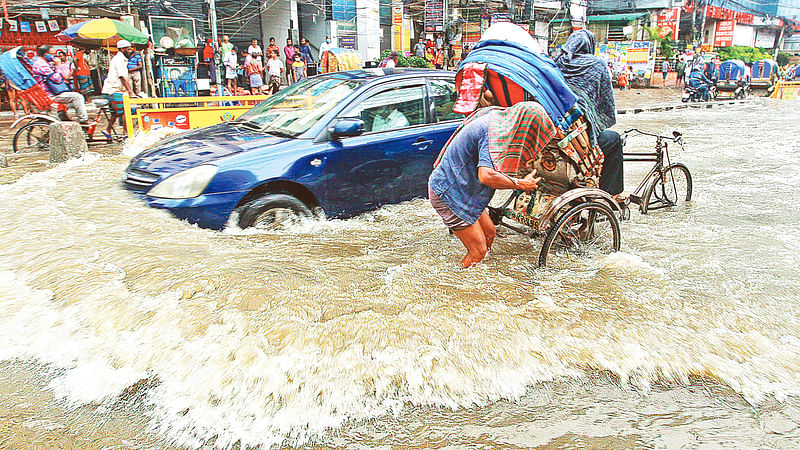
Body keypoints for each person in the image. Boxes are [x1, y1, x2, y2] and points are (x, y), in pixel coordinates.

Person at [428, 102, 550, 268]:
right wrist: (520, 184)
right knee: (478, 251)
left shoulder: (500, 120)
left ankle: (479, 271)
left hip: (465, 190)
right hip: (449, 193)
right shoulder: (494, 132)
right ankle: (458, 285)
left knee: (490, 233)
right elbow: (486, 176)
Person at [552, 29, 623, 196]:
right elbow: (605, 105)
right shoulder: (596, 65)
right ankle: (611, 194)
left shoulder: (555, 63)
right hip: (577, 142)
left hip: (551, 135)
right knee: (614, 140)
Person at [31, 45, 89, 123]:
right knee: (77, 97)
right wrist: (58, 66)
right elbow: (57, 79)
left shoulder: (43, 63)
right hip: (49, 95)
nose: (54, 56)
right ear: (46, 54)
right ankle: (83, 119)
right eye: (52, 54)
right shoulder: (41, 65)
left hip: (50, 92)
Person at [101, 40, 136, 137]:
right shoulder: (119, 59)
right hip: (113, 89)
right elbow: (122, 77)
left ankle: (107, 130)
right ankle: (126, 133)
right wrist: (131, 92)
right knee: (126, 110)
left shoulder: (122, 59)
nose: (130, 51)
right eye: (128, 49)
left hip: (114, 89)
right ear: (122, 49)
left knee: (115, 112)